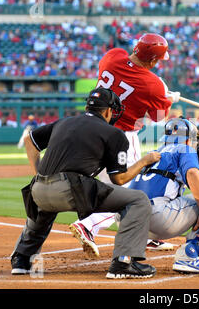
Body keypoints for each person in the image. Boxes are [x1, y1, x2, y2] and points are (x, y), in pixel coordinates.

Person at [10, 87, 160, 279]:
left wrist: (39, 174)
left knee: (44, 207)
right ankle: (123, 262)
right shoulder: (115, 134)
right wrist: (144, 161)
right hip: (72, 189)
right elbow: (119, 179)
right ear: (107, 111)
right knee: (138, 200)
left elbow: (29, 140)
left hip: (37, 189)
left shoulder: (65, 122)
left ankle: (21, 259)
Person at [69, 33, 179, 254]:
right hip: (122, 137)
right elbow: (158, 117)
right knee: (129, 191)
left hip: (89, 129)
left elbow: (127, 75)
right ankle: (88, 225)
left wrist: (159, 91)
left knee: (113, 188)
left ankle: (142, 235)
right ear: (153, 60)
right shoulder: (153, 84)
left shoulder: (112, 56)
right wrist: (168, 99)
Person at [99, 117, 199, 273]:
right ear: (188, 139)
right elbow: (194, 173)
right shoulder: (184, 148)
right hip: (157, 218)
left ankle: (128, 258)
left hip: (126, 221)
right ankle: (190, 257)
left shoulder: (155, 153)